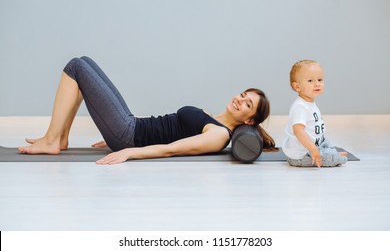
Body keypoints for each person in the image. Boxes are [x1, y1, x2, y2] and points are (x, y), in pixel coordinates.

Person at [18, 56, 275, 165]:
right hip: (131, 126)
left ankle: (52, 140)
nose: (240, 100)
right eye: (243, 95)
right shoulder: (215, 118)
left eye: (247, 104)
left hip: (129, 135)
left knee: (76, 67)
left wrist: (128, 151)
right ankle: (60, 137)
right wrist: (111, 129)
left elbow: (171, 149)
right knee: (84, 62)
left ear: (250, 120)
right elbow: (167, 127)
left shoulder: (219, 134)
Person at [282, 60, 348, 167]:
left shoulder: (309, 102)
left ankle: (329, 153)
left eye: (320, 79)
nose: (317, 83)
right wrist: (313, 149)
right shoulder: (300, 106)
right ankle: (333, 157)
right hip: (301, 155)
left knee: (327, 143)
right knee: (328, 158)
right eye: (310, 80)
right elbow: (298, 131)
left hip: (315, 144)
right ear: (297, 87)